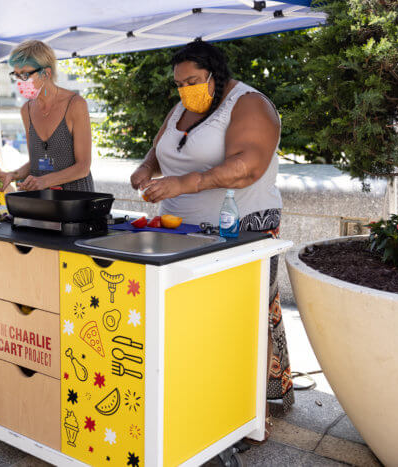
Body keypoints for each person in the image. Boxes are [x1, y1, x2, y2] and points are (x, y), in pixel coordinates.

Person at [130, 41, 293, 426]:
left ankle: (251, 414)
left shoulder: (250, 103)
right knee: (190, 321)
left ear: (216, 76)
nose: (185, 88)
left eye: (193, 80)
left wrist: (187, 183)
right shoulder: (183, 107)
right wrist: (145, 168)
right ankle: (196, 397)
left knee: (243, 320)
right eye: (180, 83)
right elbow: (160, 149)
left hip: (240, 228)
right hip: (178, 232)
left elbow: (248, 166)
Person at [0, 40, 94, 192]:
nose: (20, 82)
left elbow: (83, 167)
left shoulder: (75, 104)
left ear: (46, 73)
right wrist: (13, 175)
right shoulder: (26, 110)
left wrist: (44, 181)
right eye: (16, 75)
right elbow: (37, 162)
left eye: (25, 75)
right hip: (43, 202)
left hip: (76, 200)